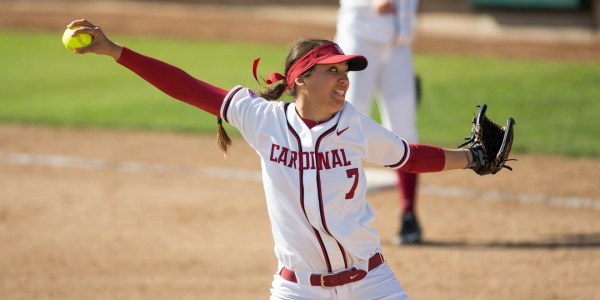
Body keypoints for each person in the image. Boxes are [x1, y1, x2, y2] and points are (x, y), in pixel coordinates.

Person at [67, 19, 480, 300]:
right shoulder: (260, 118)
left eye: (345, 72)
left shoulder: (356, 125)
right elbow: (184, 85)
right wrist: (116, 50)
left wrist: (473, 157)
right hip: (297, 289)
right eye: (332, 71)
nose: (344, 80)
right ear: (301, 78)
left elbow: (409, 157)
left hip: (372, 282)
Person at [335, 0, 423, 245]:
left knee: (404, 129)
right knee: (345, 124)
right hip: (360, 37)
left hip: (400, 43)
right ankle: (337, 216)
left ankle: (408, 214)